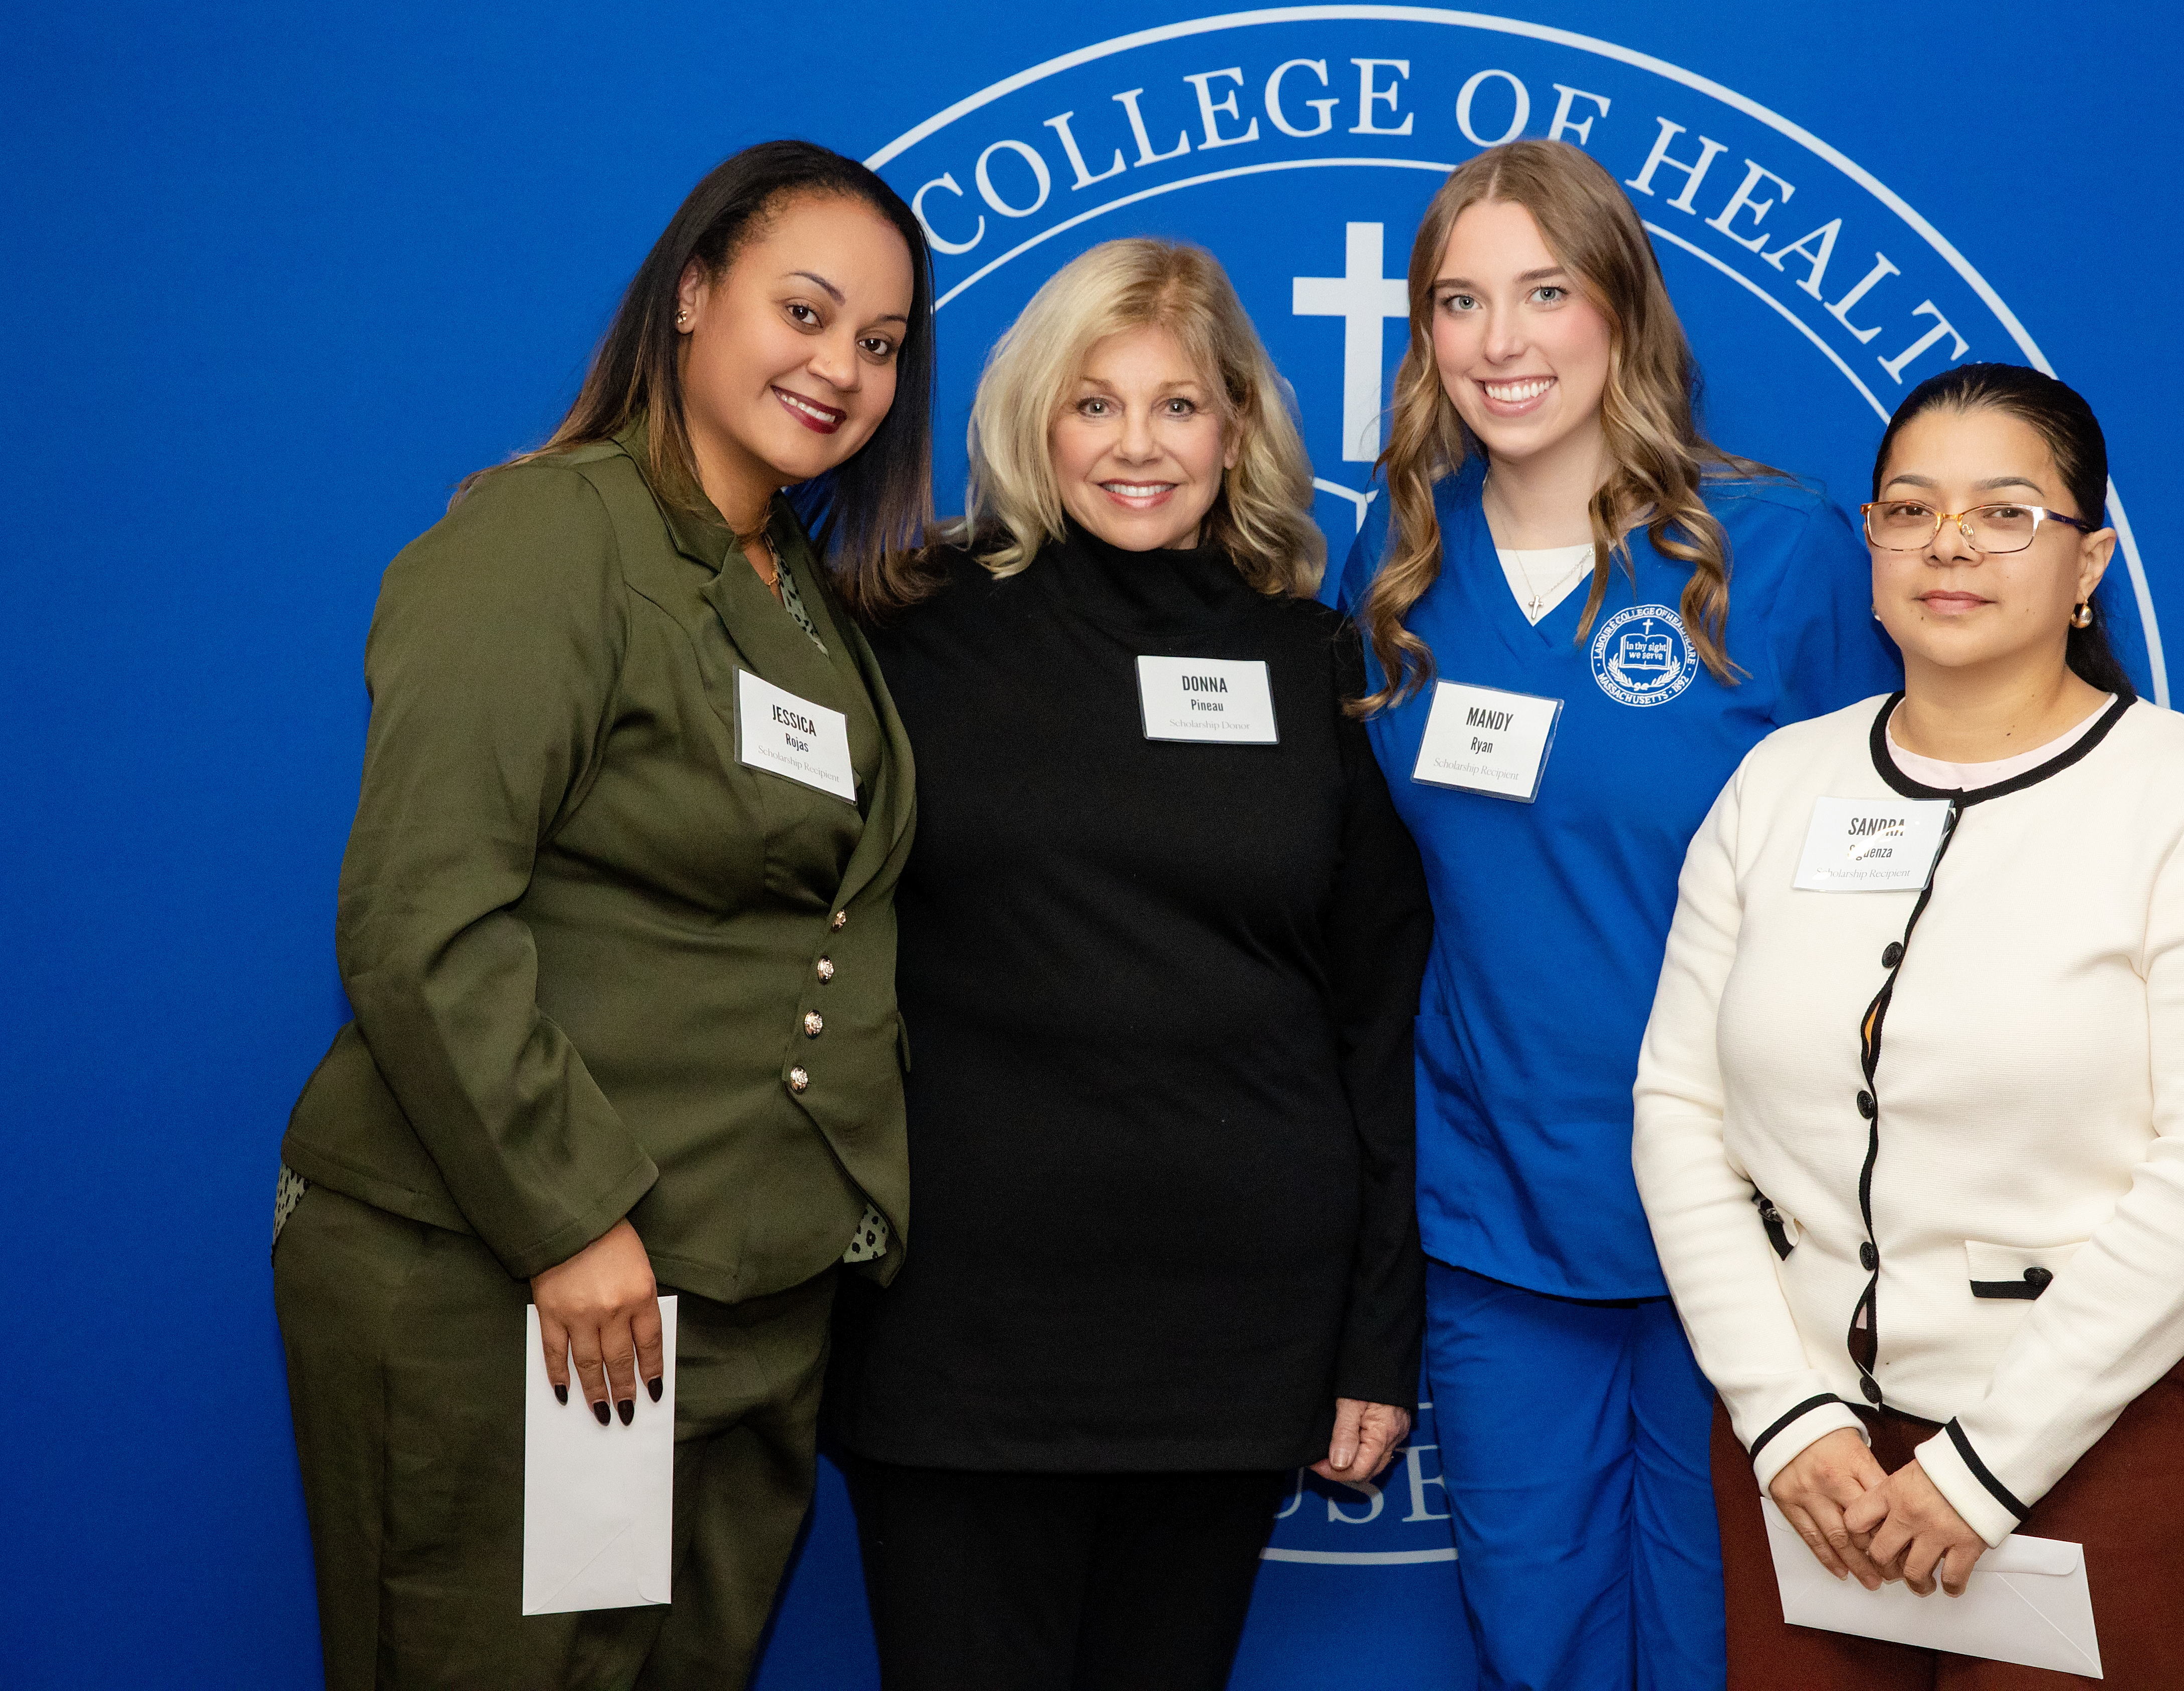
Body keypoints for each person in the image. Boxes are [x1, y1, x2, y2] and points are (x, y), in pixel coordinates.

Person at [270, 140, 937, 1689]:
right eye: (807, 311)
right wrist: (566, 1218)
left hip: (737, 1298)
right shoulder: (546, 539)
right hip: (520, 1286)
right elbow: (418, 919)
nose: (841, 369)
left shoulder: (802, 590)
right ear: (694, 295)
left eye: (884, 346)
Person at [1632, 362, 2184, 1687]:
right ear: (1874, 549)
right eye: (1909, 511)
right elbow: (1678, 1118)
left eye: (2007, 513)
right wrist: (1785, 1421)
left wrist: (1984, 1467)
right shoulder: (1779, 785)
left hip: (2095, 1445)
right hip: (1812, 1465)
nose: (1949, 545)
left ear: (2088, 563)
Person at [829, 238, 1434, 1691]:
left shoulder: (1313, 660)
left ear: (1236, 428)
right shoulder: (907, 635)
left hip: (1228, 1339)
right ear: (1036, 418)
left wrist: (1375, 1334)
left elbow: (1375, 1017)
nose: (1138, 446)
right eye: (1095, 404)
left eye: (1178, 405)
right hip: (961, 1340)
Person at [1336, 139, 1902, 1691]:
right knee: (1539, 1641)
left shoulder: (1774, 556)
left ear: (1623, 312)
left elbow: (1957, 790)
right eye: (1459, 301)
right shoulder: (1386, 569)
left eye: (1544, 292)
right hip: (1501, 1214)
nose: (1501, 343)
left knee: (1739, 1643)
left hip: (1750, 1218)